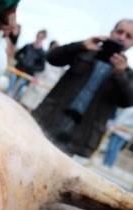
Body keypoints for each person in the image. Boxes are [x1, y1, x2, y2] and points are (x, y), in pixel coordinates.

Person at [32, 19, 133, 158]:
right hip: (53, 116)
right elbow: (52, 58)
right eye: (120, 32)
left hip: (81, 132)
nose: (122, 37)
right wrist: (81, 45)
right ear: (112, 32)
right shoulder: (86, 50)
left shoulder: (126, 73)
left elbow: (128, 101)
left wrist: (120, 75)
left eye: (129, 36)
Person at [19, 40, 66, 110]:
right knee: (26, 101)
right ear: (51, 47)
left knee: (35, 104)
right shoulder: (44, 55)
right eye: (55, 47)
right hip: (37, 81)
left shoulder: (61, 62)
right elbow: (39, 67)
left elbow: (59, 75)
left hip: (47, 87)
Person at [6, 29, 47, 101]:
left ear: (43, 38)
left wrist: (32, 67)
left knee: (19, 91)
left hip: (28, 74)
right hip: (17, 70)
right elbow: (17, 55)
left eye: (41, 37)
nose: (38, 38)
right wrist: (21, 60)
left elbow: (42, 67)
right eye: (38, 36)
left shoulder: (42, 53)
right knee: (10, 88)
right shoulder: (28, 46)